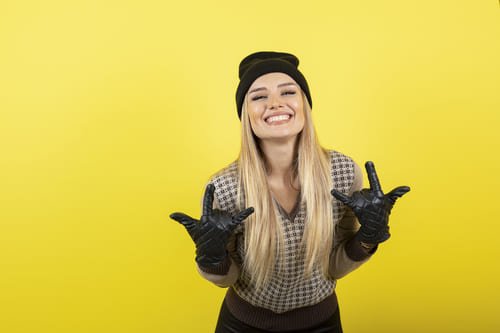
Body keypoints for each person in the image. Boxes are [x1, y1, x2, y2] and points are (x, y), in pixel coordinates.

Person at [170, 51, 410, 332]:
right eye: (258, 97)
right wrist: (213, 258)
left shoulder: (343, 173)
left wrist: (368, 239)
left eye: (288, 91)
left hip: (322, 324)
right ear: (246, 114)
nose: (275, 103)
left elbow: (334, 268)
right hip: (242, 325)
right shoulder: (224, 189)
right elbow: (228, 278)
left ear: (305, 104)